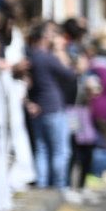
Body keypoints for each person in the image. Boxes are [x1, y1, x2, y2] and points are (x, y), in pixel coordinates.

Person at [23, 20, 79, 198]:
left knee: (42, 149)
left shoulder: (30, 56)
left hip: (38, 108)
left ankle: (42, 185)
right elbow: (70, 74)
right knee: (60, 150)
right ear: (45, 37)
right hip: (54, 107)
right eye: (52, 34)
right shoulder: (48, 57)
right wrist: (61, 51)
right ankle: (60, 187)